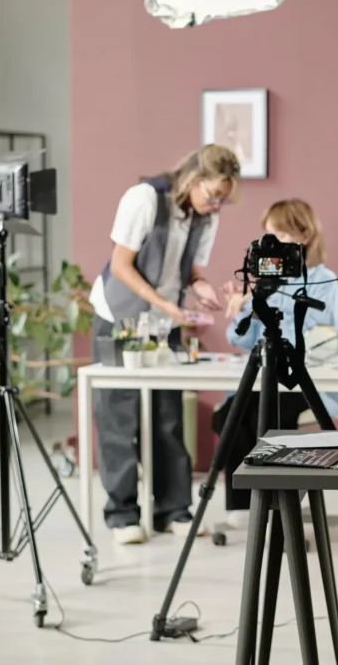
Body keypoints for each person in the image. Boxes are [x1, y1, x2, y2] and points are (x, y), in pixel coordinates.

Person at [88, 144, 240, 545]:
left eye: (224, 199)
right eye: (213, 196)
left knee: (168, 419)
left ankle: (173, 510)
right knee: (118, 419)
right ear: (193, 180)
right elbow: (121, 265)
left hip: (163, 323)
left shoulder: (203, 216)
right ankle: (122, 515)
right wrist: (165, 306)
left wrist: (201, 287)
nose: (217, 205)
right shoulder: (143, 199)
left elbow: (186, 269)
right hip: (120, 318)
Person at [216, 198, 338, 513]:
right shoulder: (265, 280)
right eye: (270, 235)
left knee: (266, 414)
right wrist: (244, 305)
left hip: (307, 381)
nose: (275, 243)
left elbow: (321, 345)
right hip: (265, 378)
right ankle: (248, 509)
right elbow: (239, 340)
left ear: (304, 235)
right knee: (233, 413)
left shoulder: (324, 282)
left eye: (282, 234)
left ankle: (280, 508)